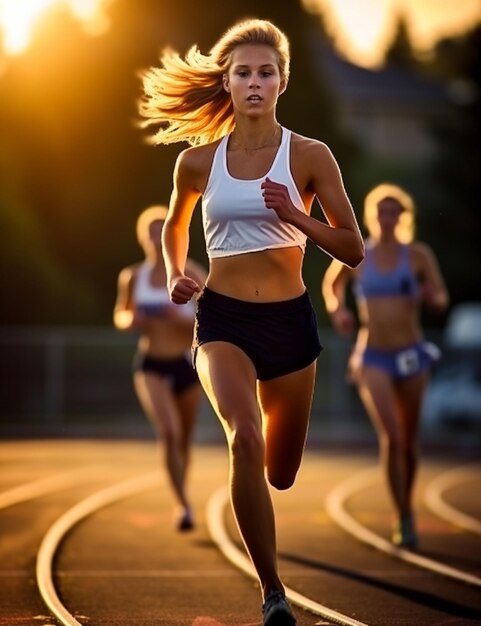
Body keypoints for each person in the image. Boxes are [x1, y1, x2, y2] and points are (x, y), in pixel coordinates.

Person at [138, 19, 364, 626]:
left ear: (282, 81)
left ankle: (261, 505)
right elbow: (173, 226)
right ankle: (272, 593)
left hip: (290, 324)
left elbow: (353, 247)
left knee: (280, 472)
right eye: (243, 73)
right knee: (245, 435)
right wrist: (176, 271)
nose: (255, 82)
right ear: (228, 82)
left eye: (266, 72)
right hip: (223, 321)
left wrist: (297, 214)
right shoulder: (197, 162)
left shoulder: (310, 156)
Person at [321, 183, 449, 549]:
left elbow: (440, 297)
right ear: (371, 216)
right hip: (372, 355)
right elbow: (332, 286)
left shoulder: (419, 255)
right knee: (391, 437)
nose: (387, 218)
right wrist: (339, 310)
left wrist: (432, 296)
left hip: (411, 354)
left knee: (409, 443)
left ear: (403, 218)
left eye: (394, 212)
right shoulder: (359, 254)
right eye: (381, 211)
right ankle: (401, 517)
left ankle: (406, 508)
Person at [114, 205, 207, 531]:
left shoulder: (192, 271)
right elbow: (121, 315)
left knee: (183, 440)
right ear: (143, 239)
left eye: (161, 230)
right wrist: (133, 320)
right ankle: (183, 505)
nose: (156, 238)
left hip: (187, 363)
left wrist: (180, 320)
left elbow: (213, 315)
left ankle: (182, 494)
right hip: (151, 363)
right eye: (150, 232)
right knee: (169, 433)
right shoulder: (133, 276)